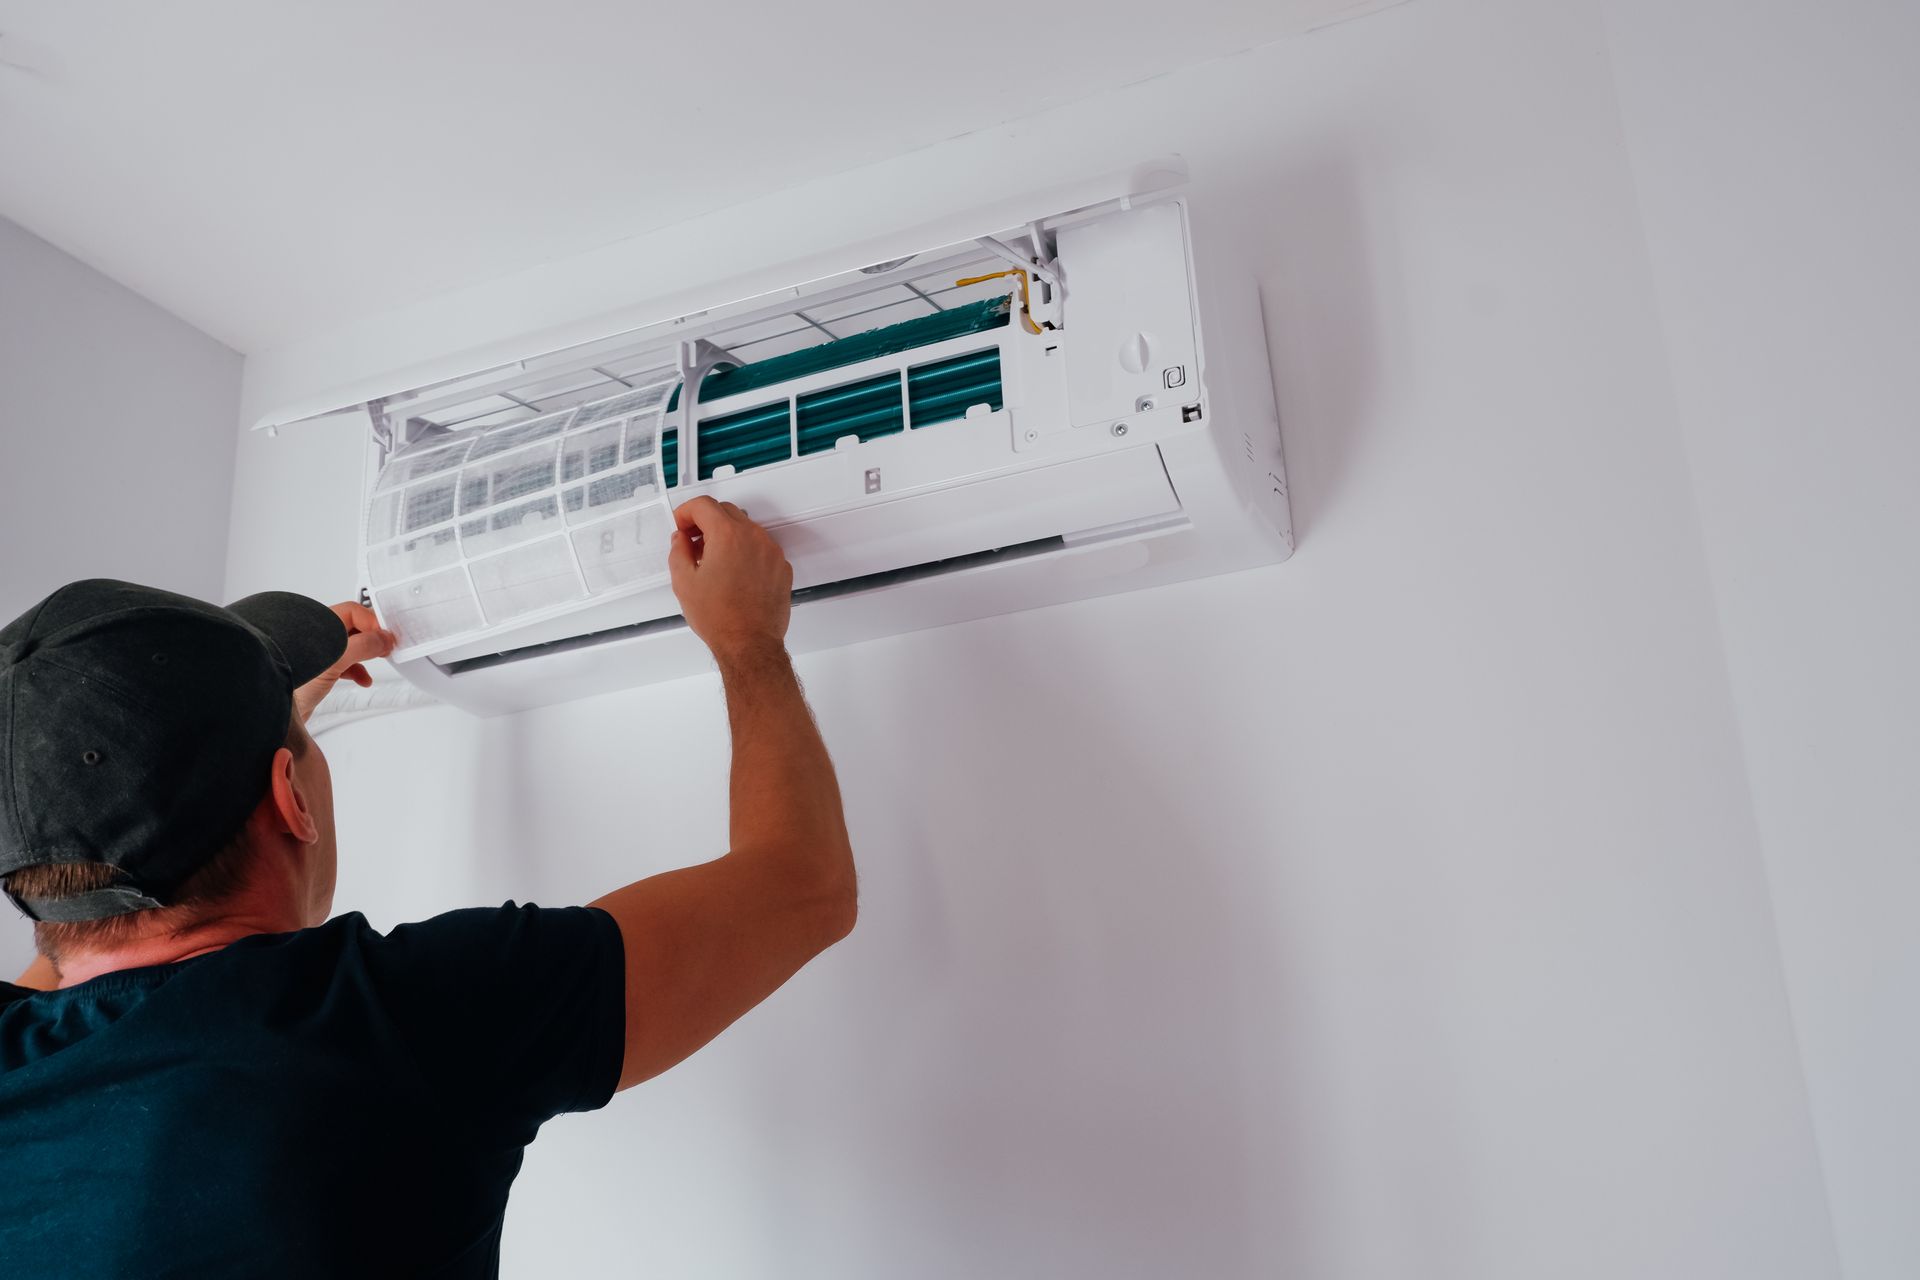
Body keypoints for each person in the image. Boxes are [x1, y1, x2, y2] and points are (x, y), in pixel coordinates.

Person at [0, 497, 856, 1276]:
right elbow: (801, 882)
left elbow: (89, 935)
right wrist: (749, 639)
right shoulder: (407, 1023)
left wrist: (265, 731)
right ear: (291, 798)